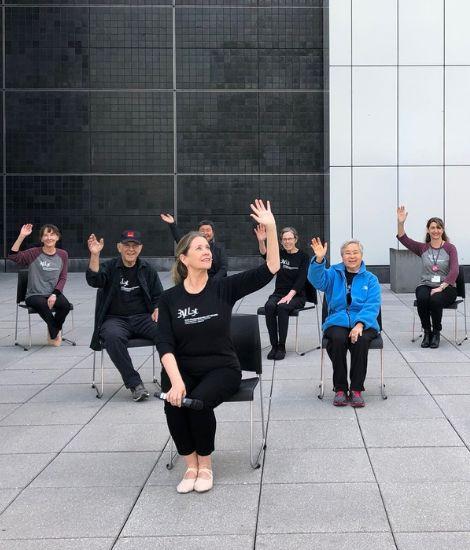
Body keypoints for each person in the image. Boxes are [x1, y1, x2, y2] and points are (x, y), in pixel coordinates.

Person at [156, 200, 280, 493]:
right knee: (174, 403)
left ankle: (206, 465)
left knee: (197, 403)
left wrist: (271, 228)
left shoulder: (223, 288)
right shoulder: (170, 298)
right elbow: (164, 342)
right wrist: (175, 381)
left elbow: (271, 267)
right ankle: (190, 465)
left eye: (207, 247)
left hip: (222, 368)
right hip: (183, 368)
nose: (206, 251)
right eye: (198, 248)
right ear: (183, 258)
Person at [86, 230, 163, 402]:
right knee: (112, 337)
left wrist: (158, 308)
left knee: (167, 331)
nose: (130, 249)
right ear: (119, 247)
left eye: (134, 246)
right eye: (126, 246)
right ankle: (135, 384)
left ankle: (169, 378)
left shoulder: (147, 269)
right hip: (115, 319)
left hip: (143, 318)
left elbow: (159, 295)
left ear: (140, 248)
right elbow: (94, 280)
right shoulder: (109, 266)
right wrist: (95, 255)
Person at [308, 238, 381, 407]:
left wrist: (360, 324)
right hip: (337, 319)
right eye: (348, 253)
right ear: (342, 256)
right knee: (338, 338)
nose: (352, 256)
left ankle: (356, 390)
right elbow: (316, 281)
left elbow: (372, 305)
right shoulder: (333, 273)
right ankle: (340, 388)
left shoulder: (371, 279)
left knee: (361, 340)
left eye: (355, 252)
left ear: (361, 255)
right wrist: (319, 260)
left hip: (365, 322)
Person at [396, 206, 459, 349]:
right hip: (426, 283)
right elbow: (403, 239)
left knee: (435, 299)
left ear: (442, 230)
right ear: (428, 230)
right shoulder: (423, 248)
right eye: (432, 227)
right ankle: (427, 332)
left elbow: (455, 270)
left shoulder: (450, 248)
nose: (435, 230)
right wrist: (401, 223)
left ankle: (436, 332)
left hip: (447, 287)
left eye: (438, 227)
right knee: (423, 297)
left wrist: (441, 287)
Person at [8, 223, 71, 346]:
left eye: (52, 235)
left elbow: (63, 277)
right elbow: (12, 256)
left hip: (52, 293)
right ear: (41, 239)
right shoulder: (33, 253)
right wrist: (22, 236)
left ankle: (53, 328)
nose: (49, 238)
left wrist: (55, 294)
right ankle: (54, 331)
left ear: (57, 237)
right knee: (42, 304)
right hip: (34, 295)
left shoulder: (63, 254)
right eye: (45, 235)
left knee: (65, 306)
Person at [254, 224, 309, 360]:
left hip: (297, 296)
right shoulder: (279, 254)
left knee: (282, 307)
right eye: (284, 239)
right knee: (269, 306)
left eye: (290, 239)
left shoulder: (304, 257)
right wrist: (261, 240)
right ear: (281, 241)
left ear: (295, 239)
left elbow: (301, 280)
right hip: (278, 293)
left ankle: (282, 346)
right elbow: (265, 255)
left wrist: (289, 296)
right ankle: (274, 345)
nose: (287, 242)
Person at [160, 214, 227, 280]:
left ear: (213, 232)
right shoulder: (192, 245)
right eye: (202, 230)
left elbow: (223, 268)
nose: (205, 233)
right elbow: (181, 241)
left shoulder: (219, 249)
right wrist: (172, 224)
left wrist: (212, 282)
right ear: (198, 232)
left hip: (214, 282)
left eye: (208, 230)